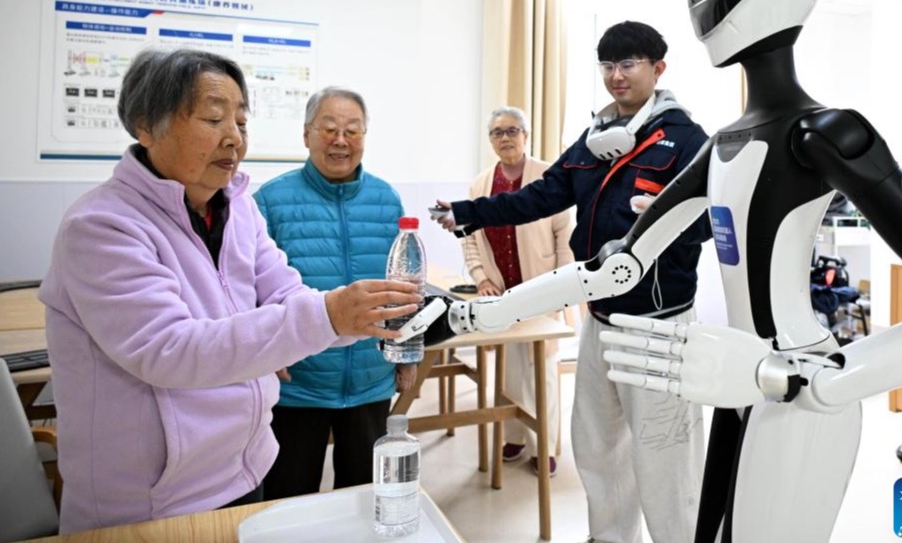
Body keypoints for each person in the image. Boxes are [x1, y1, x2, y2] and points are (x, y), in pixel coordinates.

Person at [600, 0, 902, 543]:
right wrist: (480, 314)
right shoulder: (722, 145)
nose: (700, 18)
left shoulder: (829, 131)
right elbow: (624, 263)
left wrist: (804, 378)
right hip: (740, 379)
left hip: (804, 391)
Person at [37, 49, 421, 534]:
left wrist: (356, 316)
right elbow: (170, 350)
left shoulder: (237, 209)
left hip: (244, 465)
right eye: (213, 118)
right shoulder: (103, 226)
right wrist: (328, 316)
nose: (233, 138)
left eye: (241, 121)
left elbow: (286, 294)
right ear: (145, 126)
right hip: (151, 497)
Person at [434, 22, 711, 543]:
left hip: (657, 327)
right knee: (597, 445)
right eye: (607, 66)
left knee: (664, 456)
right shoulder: (593, 140)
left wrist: (670, 219)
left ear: (658, 69)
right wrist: (468, 212)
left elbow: (717, 222)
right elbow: (541, 195)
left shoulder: (687, 141)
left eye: (629, 64)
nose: (616, 76)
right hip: (601, 318)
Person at [253, 87, 417, 499]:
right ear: (306, 134)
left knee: (362, 498)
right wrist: (262, 353)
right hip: (297, 384)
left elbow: (404, 286)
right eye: (328, 129)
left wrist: (409, 352)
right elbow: (242, 287)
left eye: (352, 130)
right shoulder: (269, 201)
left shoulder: (386, 198)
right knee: (286, 497)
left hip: (369, 378)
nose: (340, 140)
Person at [461, 106, 574, 477]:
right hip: (500, 293)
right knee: (509, 369)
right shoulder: (480, 184)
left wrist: (560, 286)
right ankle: (513, 435)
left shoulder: (548, 176)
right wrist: (481, 278)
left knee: (542, 367)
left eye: (512, 130)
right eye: (497, 132)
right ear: (490, 140)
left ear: (525, 135)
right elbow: (470, 240)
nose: (505, 138)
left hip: (542, 287)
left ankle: (545, 444)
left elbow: (564, 237)